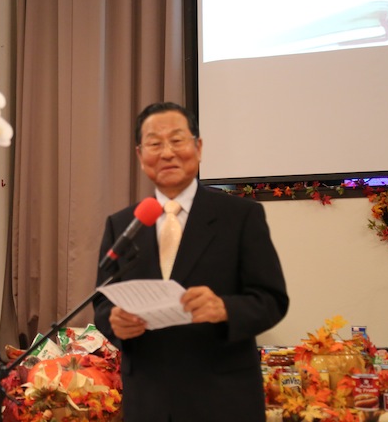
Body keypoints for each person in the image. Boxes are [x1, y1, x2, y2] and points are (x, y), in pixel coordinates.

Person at [93, 101, 289, 422]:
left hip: (223, 399)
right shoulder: (123, 224)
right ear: (141, 156)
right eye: (155, 144)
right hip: (148, 399)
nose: (167, 153)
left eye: (177, 140)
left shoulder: (240, 216)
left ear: (198, 148)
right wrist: (115, 322)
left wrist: (225, 308)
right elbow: (102, 301)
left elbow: (272, 299)